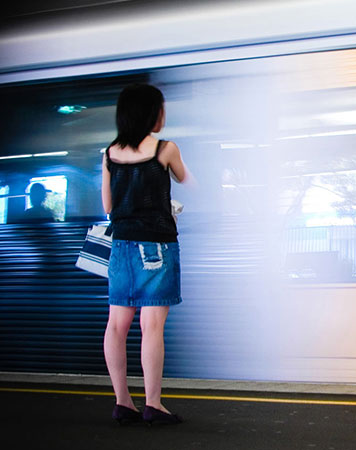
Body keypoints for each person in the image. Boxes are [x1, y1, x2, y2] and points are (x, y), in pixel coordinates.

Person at [101, 83, 189, 425]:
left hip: (121, 245)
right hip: (156, 244)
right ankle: (153, 404)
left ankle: (123, 402)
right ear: (151, 112)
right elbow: (185, 178)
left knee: (117, 324)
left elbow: (108, 206)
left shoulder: (109, 154)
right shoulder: (165, 149)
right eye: (161, 108)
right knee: (151, 325)